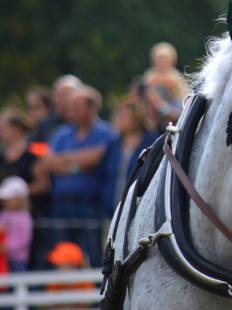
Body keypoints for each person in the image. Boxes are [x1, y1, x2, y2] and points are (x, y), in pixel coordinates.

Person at [40, 85, 115, 267]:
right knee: (61, 256)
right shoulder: (62, 133)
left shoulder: (107, 133)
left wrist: (64, 160)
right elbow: (48, 161)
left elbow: (97, 157)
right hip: (62, 205)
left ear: (92, 108)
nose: (71, 111)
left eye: (77, 106)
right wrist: (79, 164)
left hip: (90, 206)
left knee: (95, 255)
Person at [102, 96, 157, 216]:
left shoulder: (152, 143)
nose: (119, 119)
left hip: (141, 209)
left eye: (124, 116)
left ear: (136, 118)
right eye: (119, 115)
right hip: (112, 210)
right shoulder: (113, 145)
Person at [141, 42, 189, 131]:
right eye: (158, 59)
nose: (161, 63)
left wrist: (158, 102)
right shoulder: (149, 77)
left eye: (164, 59)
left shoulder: (177, 78)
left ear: (172, 60)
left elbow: (183, 104)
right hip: (151, 125)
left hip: (172, 122)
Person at [0, 176, 33, 272]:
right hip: (4, 257)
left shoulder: (25, 217)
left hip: (18, 258)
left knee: (18, 281)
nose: (5, 203)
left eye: (8, 200)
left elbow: (24, 239)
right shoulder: (5, 214)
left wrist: (7, 247)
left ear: (19, 199)